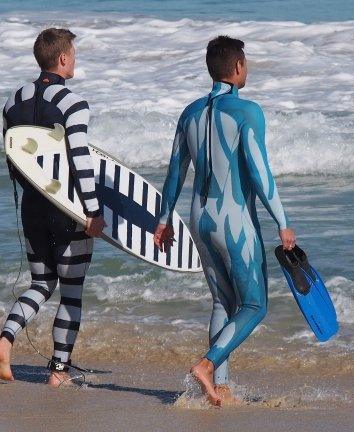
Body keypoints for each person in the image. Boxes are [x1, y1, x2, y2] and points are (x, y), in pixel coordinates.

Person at [154, 35, 296, 406]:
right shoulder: (248, 112)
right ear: (237, 68)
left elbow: (174, 174)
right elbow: (260, 173)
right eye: (245, 63)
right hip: (233, 219)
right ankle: (207, 365)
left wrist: (163, 220)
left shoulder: (189, 113)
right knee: (254, 306)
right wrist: (282, 221)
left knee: (222, 302)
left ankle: (222, 386)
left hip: (198, 217)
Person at [0, 28, 106, 387]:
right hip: (68, 208)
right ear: (63, 59)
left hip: (32, 206)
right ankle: (58, 372)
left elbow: (13, 156)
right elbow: (80, 158)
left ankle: (4, 341)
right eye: (73, 53)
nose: (74, 59)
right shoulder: (73, 103)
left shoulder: (14, 101)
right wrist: (93, 211)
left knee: (40, 282)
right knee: (71, 290)